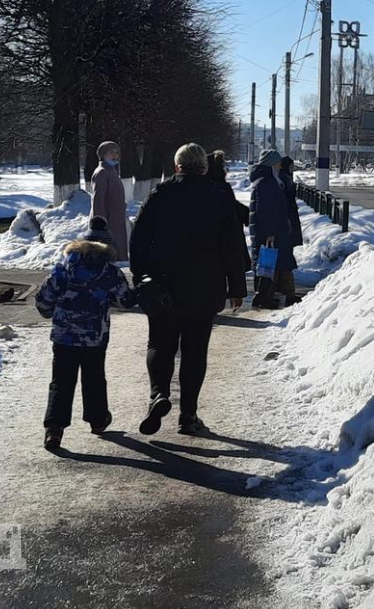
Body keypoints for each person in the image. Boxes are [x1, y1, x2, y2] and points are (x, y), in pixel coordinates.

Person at [129, 143, 248, 436]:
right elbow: (232, 246)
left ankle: (158, 394)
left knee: (159, 344)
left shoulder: (160, 194)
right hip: (204, 287)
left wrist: (141, 275)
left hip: (163, 284)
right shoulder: (218, 197)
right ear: (204, 168)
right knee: (195, 351)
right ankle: (188, 415)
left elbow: (139, 239)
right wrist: (237, 287)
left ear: (177, 165)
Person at [35, 216, 135, 449]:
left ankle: (54, 429)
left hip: (64, 337)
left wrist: (52, 313)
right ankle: (98, 420)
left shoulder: (62, 270)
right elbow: (124, 300)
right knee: (94, 378)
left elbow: (43, 301)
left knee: (61, 381)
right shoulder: (110, 273)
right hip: (95, 338)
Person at [249, 150, 297, 309]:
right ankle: (263, 297)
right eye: (277, 163)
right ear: (271, 164)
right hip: (270, 233)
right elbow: (265, 211)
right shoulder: (266, 183)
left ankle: (272, 295)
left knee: (273, 263)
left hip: (274, 231)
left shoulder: (268, 181)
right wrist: (270, 232)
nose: (279, 166)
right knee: (268, 264)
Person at [90, 141, 129, 261]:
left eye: (117, 152)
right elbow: (99, 199)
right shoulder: (102, 172)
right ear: (102, 154)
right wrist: (100, 222)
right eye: (111, 152)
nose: (115, 155)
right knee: (108, 251)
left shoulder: (111, 171)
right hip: (108, 221)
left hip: (115, 219)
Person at [277, 156, 304, 306]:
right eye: (291, 167)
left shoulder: (283, 179)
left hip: (287, 223)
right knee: (285, 258)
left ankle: (282, 290)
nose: (292, 170)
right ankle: (287, 292)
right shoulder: (284, 180)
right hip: (286, 224)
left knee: (284, 257)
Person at [207, 150, 250, 230]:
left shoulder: (210, 185)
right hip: (227, 235)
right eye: (222, 166)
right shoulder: (220, 187)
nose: (225, 169)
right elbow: (231, 207)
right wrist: (246, 213)